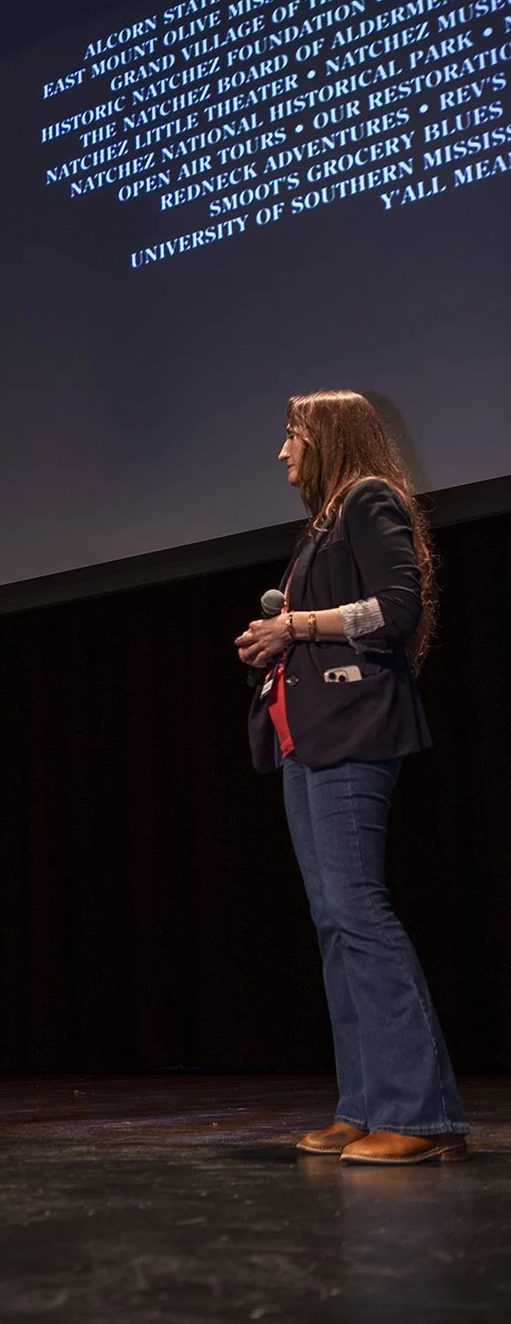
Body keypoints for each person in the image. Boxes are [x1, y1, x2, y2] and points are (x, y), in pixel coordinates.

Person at [235, 390, 467, 1166]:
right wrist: (276, 640)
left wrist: (295, 625)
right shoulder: (323, 524)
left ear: (330, 437)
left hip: (355, 728)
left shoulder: (368, 499)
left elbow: (397, 608)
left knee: (359, 912)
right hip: (308, 738)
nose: (282, 452)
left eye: (292, 435)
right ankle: (365, 1104)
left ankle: (419, 1114)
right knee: (336, 921)